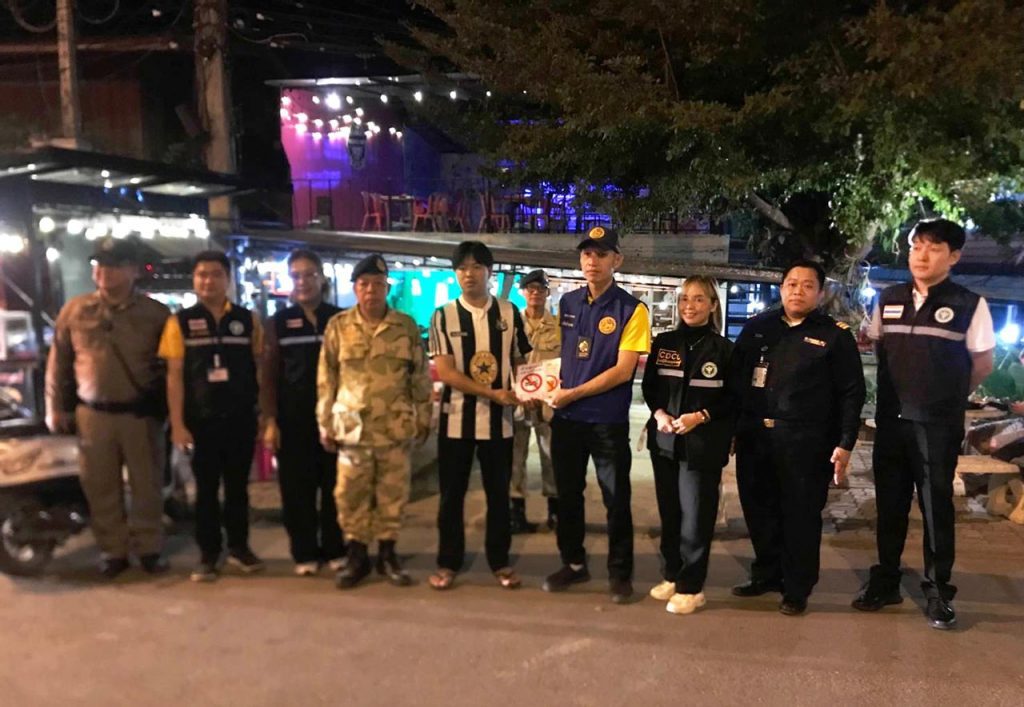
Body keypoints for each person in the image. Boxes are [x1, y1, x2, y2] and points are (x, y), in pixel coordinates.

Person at [853, 218, 995, 629]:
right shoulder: (889, 298)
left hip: (937, 425)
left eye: (934, 248)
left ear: (953, 256)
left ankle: (938, 589)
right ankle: (886, 580)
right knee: (889, 505)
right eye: (917, 246)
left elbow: (982, 364)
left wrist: (945, 396)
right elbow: (881, 351)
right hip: (891, 422)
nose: (922, 255)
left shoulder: (969, 304)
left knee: (936, 507)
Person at [729, 259, 865, 616]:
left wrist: (845, 442)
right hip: (755, 437)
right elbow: (736, 382)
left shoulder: (835, 336)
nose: (798, 291)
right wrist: (731, 430)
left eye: (807, 285)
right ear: (781, 288)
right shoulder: (757, 328)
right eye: (791, 284)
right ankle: (766, 574)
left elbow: (852, 393)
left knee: (800, 516)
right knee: (759, 510)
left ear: (820, 293)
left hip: (806, 442)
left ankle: (796, 587)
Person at [45, 236, 171, 578]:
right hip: (93, 415)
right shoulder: (75, 311)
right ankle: (113, 551)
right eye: (99, 264)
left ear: (133, 271)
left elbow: (171, 367)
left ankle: (149, 548)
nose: (104, 271)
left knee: (147, 485)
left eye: (114, 265)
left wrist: (168, 410)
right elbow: (58, 363)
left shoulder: (155, 314)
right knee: (100, 487)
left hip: (139, 414)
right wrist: (56, 407)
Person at [542, 226, 651, 604]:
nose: (593, 261)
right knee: (567, 496)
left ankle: (620, 574)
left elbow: (623, 371)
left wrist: (572, 393)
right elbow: (565, 357)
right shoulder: (568, 303)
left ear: (617, 260)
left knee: (616, 499)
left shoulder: (632, 309)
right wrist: (547, 386)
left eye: (602, 254)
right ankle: (573, 563)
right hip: (567, 420)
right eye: (587, 254)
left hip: (606, 421)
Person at [317, 254, 432, 589]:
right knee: (349, 494)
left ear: (387, 288)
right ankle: (357, 556)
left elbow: (420, 376)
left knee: (393, 494)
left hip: (394, 427)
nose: (371, 290)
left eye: (378, 284)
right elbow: (327, 377)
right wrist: (324, 422)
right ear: (355, 288)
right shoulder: (339, 326)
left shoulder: (405, 327)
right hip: (352, 428)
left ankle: (387, 554)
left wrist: (424, 417)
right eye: (364, 284)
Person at [426, 241, 530, 590]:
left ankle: (500, 562)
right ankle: (448, 563)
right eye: (461, 268)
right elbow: (446, 372)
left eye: (475, 267)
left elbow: (520, 361)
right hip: (455, 420)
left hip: (500, 424)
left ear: (489, 271)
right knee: (451, 496)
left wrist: (529, 390)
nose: (468, 274)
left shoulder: (509, 313)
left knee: (498, 495)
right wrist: (492, 393)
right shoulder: (443, 315)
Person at [159, 250, 265, 582]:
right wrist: (178, 424)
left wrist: (263, 413)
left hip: (240, 419)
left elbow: (260, 368)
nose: (208, 281)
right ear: (194, 280)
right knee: (205, 490)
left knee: (238, 488)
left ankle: (239, 547)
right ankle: (208, 554)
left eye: (216, 274)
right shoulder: (179, 323)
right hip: (200, 422)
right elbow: (174, 377)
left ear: (227, 279)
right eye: (202, 274)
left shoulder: (248, 320)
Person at [641, 276, 734, 615]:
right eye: (684, 299)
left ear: (712, 305)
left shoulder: (725, 350)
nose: (689, 306)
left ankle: (692, 587)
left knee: (696, 517)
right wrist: (659, 414)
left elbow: (733, 399)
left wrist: (701, 416)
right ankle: (672, 574)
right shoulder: (664, 342)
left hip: (702, 446)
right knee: (670, 514)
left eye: (698, 299)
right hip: (665, 442)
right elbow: (650, 387)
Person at [261, 249, 345, 576]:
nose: (303, 281)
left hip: (335, 419)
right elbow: (268, 376)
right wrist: (270, 420)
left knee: (335, 487)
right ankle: (305, 552)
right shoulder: (279, 323)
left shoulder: (340, 320)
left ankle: (336, 549)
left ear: (322, 278)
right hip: (292, 420)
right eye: (296, 275)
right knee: (297, 490)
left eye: (309, 274)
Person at [509, 269, 560, 534]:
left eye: (541, 289)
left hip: (547, 403)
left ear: (547, 293)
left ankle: (555, 511)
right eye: (530, 289)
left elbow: (563, 364)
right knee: (515, 458)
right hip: (518, 401)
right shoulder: (511, 324)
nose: (536, 293)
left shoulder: (559, 327)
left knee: (551, 457)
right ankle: (516, 512)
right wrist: (519, 392)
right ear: (522, 292)